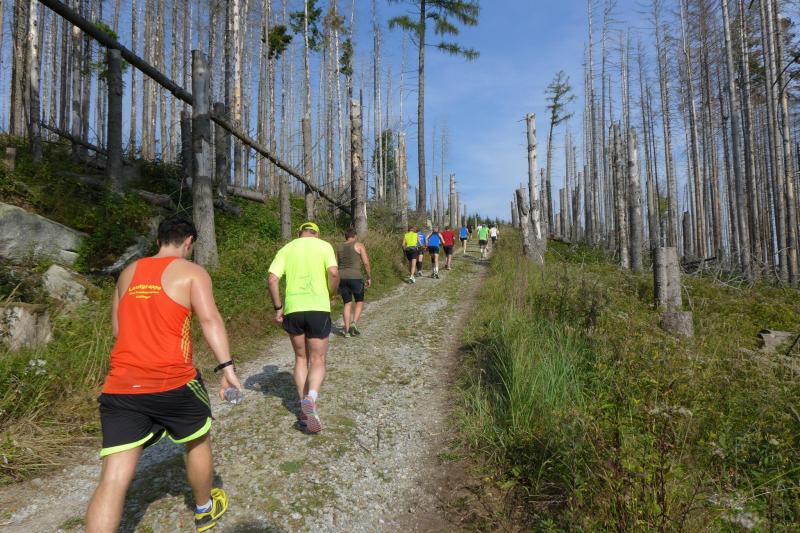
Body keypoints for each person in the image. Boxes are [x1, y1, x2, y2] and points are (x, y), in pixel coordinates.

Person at [86, 216, 243, 533]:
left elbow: (118, 329)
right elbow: (210, 320)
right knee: (197, 440)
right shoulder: (193, 273)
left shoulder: (128, 272)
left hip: (122, 385)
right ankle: (204, 510)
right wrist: (227, 368)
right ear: (189, 241)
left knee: (113, 477)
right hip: (174, 382)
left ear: (158, 240)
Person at [268, 222, 339, 434]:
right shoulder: (324, 246)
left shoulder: (287, 248)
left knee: (301, 358)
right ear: (317, 233)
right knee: (318, 359)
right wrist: (332, 294)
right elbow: (334, 273)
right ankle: (311, 398)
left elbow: (272, 279)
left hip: (294, 310)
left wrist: (278, 308)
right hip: (318, 308)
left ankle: (303, 407)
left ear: (299, 233)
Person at [336, 228, 372, 337]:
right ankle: (354, 323)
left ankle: (347, 331)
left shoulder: (339, 247)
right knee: (359, 301)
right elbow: (366, 263)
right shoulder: (359, 245)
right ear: (355, 236)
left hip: (342, 277)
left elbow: (336, 264)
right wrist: (369, 276)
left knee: (347, 303)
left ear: (346, 237)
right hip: (355, 277)